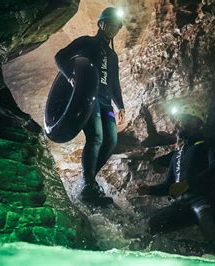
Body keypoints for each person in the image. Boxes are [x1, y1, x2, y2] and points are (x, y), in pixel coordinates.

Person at [136, 104, 215, 258]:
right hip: (181, 205)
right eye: (179, 120)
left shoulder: (207, 145)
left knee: (204, 215)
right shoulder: (177, 154)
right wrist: (149, 190)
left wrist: (188, 184)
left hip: (203, 200)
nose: (179, 124)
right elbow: (169, 186)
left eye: (184, 120)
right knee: (153, 223)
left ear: (196, 123)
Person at [54, 7, 125, 206]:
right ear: (101, 24)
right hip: (89, 98)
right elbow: (60, 57)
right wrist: (71, 77)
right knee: (96, 138)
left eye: (117, 26)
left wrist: (121, 106)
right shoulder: (86, 42)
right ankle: (88, 184)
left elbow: (114, 83)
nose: (113, 29)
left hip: (105, 102)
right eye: (110, 23)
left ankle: (88, 180)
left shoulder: (113, 56)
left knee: (110, 142)